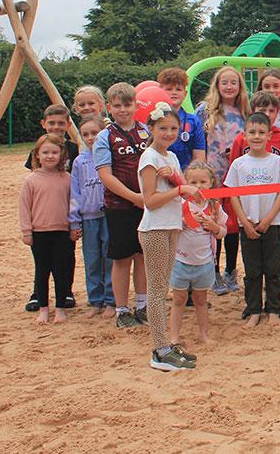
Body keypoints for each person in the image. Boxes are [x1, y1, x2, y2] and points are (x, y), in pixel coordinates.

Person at [137, 102, 204, 371]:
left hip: (171, 225)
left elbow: (179, 185)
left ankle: (165, 345)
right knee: (156, 291)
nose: (169, 133)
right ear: (151, 128)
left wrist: (177, 181)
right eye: (163, 128)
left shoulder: (171, 157)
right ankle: (159, 349)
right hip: (154, 228)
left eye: (174, 128)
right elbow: (150, 200)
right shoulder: (149, 158)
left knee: (162, 287)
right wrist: (179, 189)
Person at [226, 113, 280, 328]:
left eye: (261, 133)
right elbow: (232, 194)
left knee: (273, 268)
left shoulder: (276, 161)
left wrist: (268, 219)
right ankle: (253, 309)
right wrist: (244, 221)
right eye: (252, 132)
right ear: (244, 135)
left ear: (269, 136)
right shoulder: (238, 164)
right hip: (248, 225)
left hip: (272, 223)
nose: (256, 136)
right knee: (252, 270)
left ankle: (274, 308)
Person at [94, 83, 149, 329]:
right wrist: (133, 196)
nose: (123, 109)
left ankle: (143, 305)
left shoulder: (147, 132)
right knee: (121, 259)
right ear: (109, 108)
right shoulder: (104, 137)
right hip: (119, 206)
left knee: (143, 256)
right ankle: (121, 310)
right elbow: (106, 175)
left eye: (128, 104)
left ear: (136, 106)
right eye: (117, 105)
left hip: (147, 205)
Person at [230, 90, 280, 291]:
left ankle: (279, 294)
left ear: (277, 112)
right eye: (262, 109)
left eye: (271, 110)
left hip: (274, 212)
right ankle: (253, 306)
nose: (267, 114)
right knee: (252, 264)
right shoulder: (241, 141)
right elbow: (233, 180)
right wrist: (242, 216)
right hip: (248, 212)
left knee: (274, 257)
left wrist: (275, 211)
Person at [196, 66, 250, 296]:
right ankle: (214, 271)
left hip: (237, 174)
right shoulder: (205, 110)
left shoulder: (245, 111)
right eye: (224, 82)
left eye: (233, 82)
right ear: (217, 85)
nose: (229, 87)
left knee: (233, 224)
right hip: (213, 175)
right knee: (215, 222)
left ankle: (230, 270)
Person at [23, 104, 79, 312]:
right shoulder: (40, 146)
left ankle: (67, 292)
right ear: (44, 124)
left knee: (66, 257)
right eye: (52, 123)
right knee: (42, 262)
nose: (56, 127)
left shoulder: (73, 147)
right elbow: (33, 175)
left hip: (64, 213)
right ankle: (38, 294)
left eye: (61, 123)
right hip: (42, 218)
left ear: (68, 124)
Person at [170, 162, 227, 348]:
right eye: (193, 182)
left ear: (211, 182)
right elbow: (171, 228)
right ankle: (174, 337)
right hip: (181, 260)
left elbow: (223, 232)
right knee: (178, 300)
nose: (199, 186)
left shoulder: (215, 206)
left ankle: (204, 334)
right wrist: (185, 221)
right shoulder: (180, 204)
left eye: (203, 181)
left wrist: (215, 227)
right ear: (186, 183)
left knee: (201, 300)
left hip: (204, 262)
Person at [69, 116, 115, 319]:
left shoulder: (109, 156)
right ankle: (95, 300)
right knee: (92, 259)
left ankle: (111, 300)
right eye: (85, 134)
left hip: (109, 215)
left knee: (109, 258)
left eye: (94, 133)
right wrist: (74, 220)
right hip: (88, 219)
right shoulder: (80, 161)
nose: (90, 138)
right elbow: (75, 192)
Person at [158, 67, 206, 169]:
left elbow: (199, 156)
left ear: (185, 94)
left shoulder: (193, 120)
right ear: (160, 91)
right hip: (159, 174)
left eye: (178, 89)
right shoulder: (154, 118)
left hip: (186, 177)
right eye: (169, 89)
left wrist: (185, 177)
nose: (174, 92)